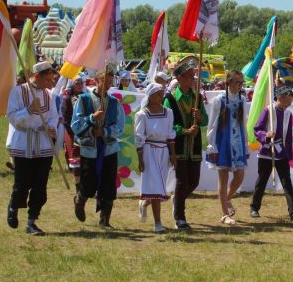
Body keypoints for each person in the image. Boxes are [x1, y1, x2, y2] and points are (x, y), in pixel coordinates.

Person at [5, 62, 59, 236]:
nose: (50, 84)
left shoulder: (49, 95)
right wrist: (28, 110)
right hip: (23, 142)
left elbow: (53, 117)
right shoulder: (17, 92)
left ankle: (32, 221)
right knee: (23, 183)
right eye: (48, 80)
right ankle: (13, 206)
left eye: (52, 80)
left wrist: (52, 128)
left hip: (43, 144)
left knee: (40, 185)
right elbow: (11, 117)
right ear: (37, 76)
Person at [71, 66, 126, 229]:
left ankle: (105, 220)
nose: (108, 85)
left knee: (109, 184)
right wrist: (90, 120)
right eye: (105, 81)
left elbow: (120, 127)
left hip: (109, 149)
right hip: (90, 149)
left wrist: (106, 131)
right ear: (96, 80)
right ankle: (80, 199)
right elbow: (75, 125)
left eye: (110, 82)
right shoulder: (84, 100)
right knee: (88, 183)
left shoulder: (115, 103)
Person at [164, 61, 208, 230]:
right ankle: (180, 218)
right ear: (180, 78)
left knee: (194, 181)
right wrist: (184, 130)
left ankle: (177, 199)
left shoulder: (197, 98)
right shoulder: (170, 99)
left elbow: (205, 120)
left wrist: (199, 117)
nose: (193, 79)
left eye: (193, 76)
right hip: (179, 145)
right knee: (182, 181)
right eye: (190, 76)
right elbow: (168, 124)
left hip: (194, 146)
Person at [250, 86, 293, 220]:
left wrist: (288, 154)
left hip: (281, 152)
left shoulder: (288, 113)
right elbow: (257, 129)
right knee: (262, 181)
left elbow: (288, 136)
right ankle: (254, 208)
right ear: (280, 98)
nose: (288, 105)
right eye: (287, 102)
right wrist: (266, 134)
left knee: (287, 183)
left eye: (290, 103)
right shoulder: (268, 110)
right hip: (267, 151)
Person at [206, 70, 249, 225]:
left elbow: (244, 122)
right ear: (229, 82)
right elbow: (212, 123)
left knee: (240, 175)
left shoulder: (242, 99)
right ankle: (225, 213)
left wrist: (246, 144)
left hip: (237, 142)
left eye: (242, 83)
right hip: (222, 141)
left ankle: (227, 199)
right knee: (223, 178)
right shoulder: (219, 100)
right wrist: (212, 145)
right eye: (237, 82)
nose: (240, 85)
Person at [135, 83, 176, 233]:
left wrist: (172, 154)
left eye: (162, 93)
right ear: (150, 96)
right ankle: (158, 223)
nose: (161, 96)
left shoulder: (169, 113)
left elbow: (171, 134)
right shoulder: (142, 115)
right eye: (158, 94)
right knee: (157, 187)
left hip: (163, 151)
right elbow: (139, 138)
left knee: (159, 187)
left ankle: (145, 203)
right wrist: (140, 159)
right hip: (148, 151)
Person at [61, 75, 86, 187]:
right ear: (72, 84)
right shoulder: (66, 98)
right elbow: (65, 118)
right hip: (71, 131)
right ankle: (78, 186)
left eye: (81, 82)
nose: (80, 85)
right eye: (77, 83)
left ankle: (84, 183)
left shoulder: (86, 97)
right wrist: (75, 129)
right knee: (75, 157)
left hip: (85, 131)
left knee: (85, 157)